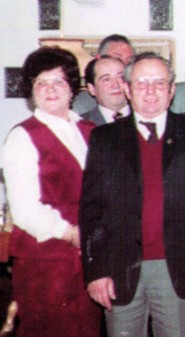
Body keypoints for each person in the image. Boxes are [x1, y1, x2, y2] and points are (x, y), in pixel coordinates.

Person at [79, 53, 185, 337]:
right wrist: (95, 271)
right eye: (142, 83)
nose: (150, 91)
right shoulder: (104, 138)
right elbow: (91, 211)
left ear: (172, 90)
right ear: (127, 88)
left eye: (159, 83)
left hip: (180, 269)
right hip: (119, 269)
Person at [3, 46, 101, 336]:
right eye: (40, 83)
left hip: (85, 260)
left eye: (57, 81)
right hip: (45, 262)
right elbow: (23, 209)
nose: (49, 90)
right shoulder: (23, 136)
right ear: (31, 90)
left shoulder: (89, 130)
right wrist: (70, 233)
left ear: (72, 88)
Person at [72, 34, 135, 113]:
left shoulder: (142, 98)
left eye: (129, 60)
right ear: (99, 59)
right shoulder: (82, 106)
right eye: (118, 59)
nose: (125, 65)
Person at [81, 56, 130, 125]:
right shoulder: (81, 125)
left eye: (121, 77)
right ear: (92, 88)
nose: (116, 85)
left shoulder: (145, 117)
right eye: (106, 79)